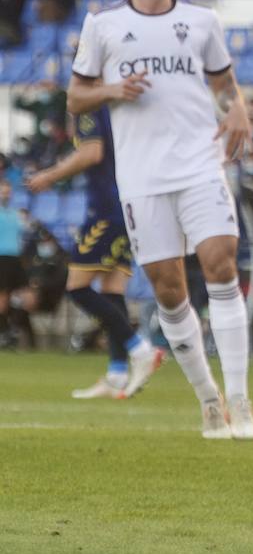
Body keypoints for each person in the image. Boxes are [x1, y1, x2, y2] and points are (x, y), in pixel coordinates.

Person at [68, 0, 253, 440]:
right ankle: (209, 401)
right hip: (142, 179)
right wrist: (111, 90)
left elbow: (224, 82)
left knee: (221, 265)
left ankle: (240, 400)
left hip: (200, 165)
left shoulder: (202, 21)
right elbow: (76, 96)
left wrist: (236, 107)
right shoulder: (103, 26)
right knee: (169, 291)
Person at [25, 107, 164, 399]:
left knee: (77, 288)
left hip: (104, 211)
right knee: (113, 291)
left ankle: (140, 350)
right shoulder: (118, 110)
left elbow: (91, 153)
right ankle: (117, 374)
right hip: (127, 206)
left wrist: (50, 175)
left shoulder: (90, 108)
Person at [0, 181, 24, 347]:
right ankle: (3, 331)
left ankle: (10, 329)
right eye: (3, 192)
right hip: (1, 257)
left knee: (17, 296)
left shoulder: (15, 214)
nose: (6, 195)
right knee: (2, 297)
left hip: (15, 258)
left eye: (8, 192)